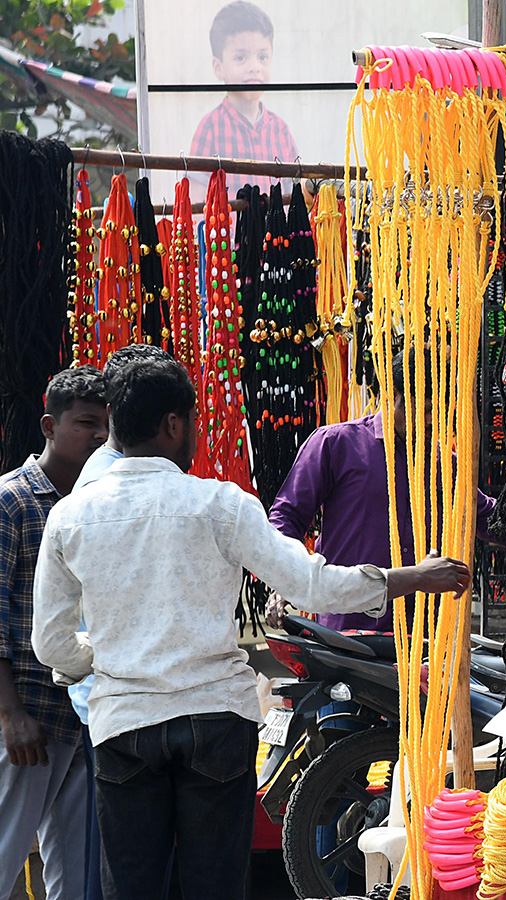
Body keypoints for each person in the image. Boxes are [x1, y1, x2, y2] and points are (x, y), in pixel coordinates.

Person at [31, 358, 470, 900]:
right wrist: (413, 577)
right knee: (215, 886)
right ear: (173, 424)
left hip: (125, 721)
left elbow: (50, 643)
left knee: (133, 887)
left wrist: (100, 656)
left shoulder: (70, 516)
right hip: (214, 720)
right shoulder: (220, 505)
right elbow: (314, 585)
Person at [267, 349, 498, 632]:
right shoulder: (336, 444)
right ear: (392, 397)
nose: (431, 420)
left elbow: (492, 521)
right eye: (424, 410)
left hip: (423, 635)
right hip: (346, 630)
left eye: (437, 411)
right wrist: (284, 579)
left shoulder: (445, 465)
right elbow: (286, 518)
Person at [67, 344, 172, 900]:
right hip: (120, 701)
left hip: (119, 698)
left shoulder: (108, 475)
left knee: (125, 863)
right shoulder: (105, 483)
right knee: (121, 864)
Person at [0, 365, 108, 900]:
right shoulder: (12, 501)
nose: (99, 437)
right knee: (5, 855)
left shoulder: (99, 504)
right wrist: (10, 714)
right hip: (27, 718)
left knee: (77, 873)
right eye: (86, 423)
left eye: (108, 426)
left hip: (83, 716)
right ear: (48, 425)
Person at [189, 0, 299, 193]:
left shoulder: (281, 130)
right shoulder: (210, 128)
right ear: (218, 67)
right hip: (225, 224)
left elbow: (295, 195)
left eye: (262, 57)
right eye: (241, 58)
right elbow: (197, 199)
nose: (254, 67)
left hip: (275, 224)